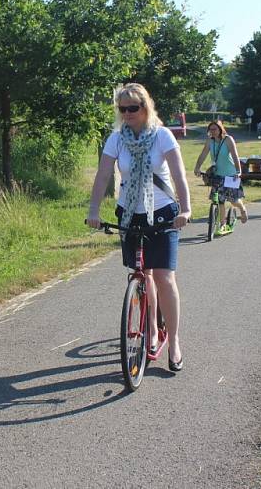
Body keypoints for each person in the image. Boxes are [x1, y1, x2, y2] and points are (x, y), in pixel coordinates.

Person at [86, 83, 191, 372]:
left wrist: (185, 208)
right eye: (123, 108)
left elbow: (179, 177)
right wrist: (94, 209)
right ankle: (153, 333)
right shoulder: (117, 139)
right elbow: (103, 174)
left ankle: (175, 341)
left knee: (164, 277)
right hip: (131, 214)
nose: (128, 113)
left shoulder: (162, 136)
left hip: (163, 213)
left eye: (133, 107)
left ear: (145, 107)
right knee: (142, 274)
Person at [193, 120, 248, 234]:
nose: (212, 132)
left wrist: (238, 171)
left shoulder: (228, 139)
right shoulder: (209, 141)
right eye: (210, 129)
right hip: (217, 175)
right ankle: (222, 225)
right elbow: (203, 154)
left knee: (233, 200)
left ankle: (242, 210)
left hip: (231, 174)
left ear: (220, 129)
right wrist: (197, 167)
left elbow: (235, 155)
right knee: (220, 201)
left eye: (215, 129)